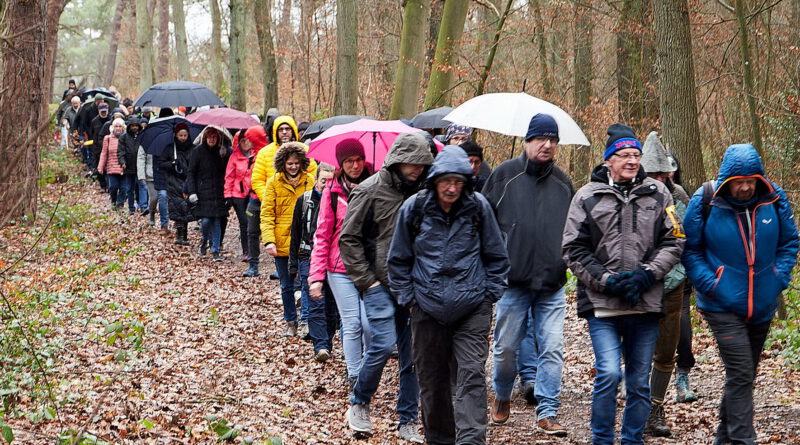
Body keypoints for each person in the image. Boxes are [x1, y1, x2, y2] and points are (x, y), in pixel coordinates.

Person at [562, 123, 684, 445]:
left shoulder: (659, 193)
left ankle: (632, 439)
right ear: (608, 161)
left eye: (636, 155)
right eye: (624, 155)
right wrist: (605, 280)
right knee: (609, 373)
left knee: (638, 382)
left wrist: (648, 273)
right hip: (602, 304)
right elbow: (573, 248)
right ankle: (601, 438)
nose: (631, 160)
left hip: (645, 302)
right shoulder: (586, 196)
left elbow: (674, 240)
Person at [387, 145, 510, 444]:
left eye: (458, 181)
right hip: (427, 309)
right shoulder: (414, 209)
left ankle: (470, 440)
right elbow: (398, 259)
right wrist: (410, 300)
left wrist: (487, 296)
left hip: (472, 308)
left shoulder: (478, 208)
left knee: (470, 377)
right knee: (432, 381)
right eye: (446, 181)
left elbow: (497, 256)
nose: (452, 188)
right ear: (435, 181)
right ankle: (440, 439)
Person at [682, 144, 798, 445]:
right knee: (742, 371)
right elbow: (690, 250)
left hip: (762, 303)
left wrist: (777, 277)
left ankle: (724, 438)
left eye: (751, 180)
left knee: (742, 376)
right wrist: (712, 284)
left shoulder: (775, 198)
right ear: (726, 180)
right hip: (720, 304)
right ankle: (744, 439)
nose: (746, 187)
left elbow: (789, 243)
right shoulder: (705, 200)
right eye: (739, 181)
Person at [481, 113, 573, 436]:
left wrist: (567, 262)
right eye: (541, 139)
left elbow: (573, 232)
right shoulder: (503, 176)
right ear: (527, 141)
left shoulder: (564, 184)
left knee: (552, 347)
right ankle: (503, 394)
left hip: (552, 283)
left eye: (553, 140)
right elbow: (485, 225)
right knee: (506, 348)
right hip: (512, 283)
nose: (547, 145)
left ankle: (547, 411)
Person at [339, 132, 433, 442]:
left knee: (414, 356)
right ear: (398, 160)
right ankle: (359, 402)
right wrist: (368, 281)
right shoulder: (369, 190)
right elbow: (348, 239)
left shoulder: (424, 192)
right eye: (413, 163)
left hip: (415, 286)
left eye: (423, 164)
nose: (418, 169)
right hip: (378, 283)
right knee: (381, 343)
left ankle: (407, 419)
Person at [636, 132, 691, 437]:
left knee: (667, 351)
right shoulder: (633, 195)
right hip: (642, 285)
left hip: (672, 284)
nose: (657, 178)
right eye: (652, 172)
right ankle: (639, 404)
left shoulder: (678, 196)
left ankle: (656, 409)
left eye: (661, 173)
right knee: (639, 350)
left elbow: (685, 236)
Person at [308, 139, 373, 386]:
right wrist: (316, 277)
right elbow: (322, 234)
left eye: (358, 160)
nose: (355, 165)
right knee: (352, 323)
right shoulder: (332, 192)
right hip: (339, 268)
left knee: (370, 324)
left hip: (368, 267)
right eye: (349, 161)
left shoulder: (376, 187)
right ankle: (356, 374)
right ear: (341, 164)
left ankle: (368, 365)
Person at [261, 142, 315, 336]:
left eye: (296, 163)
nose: (293, 167)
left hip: (304, 241)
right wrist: (269, 240)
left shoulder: (310, 181)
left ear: (302, 163)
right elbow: (267, 213)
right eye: (289, 163)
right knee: (286, 284)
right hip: (282, 241)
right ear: (283, 164)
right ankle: (290, 321)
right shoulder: (274, 182)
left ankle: (307, 321)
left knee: (307, 282)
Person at [290, 163, 337, 361]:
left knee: (332, 305)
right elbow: (295, 232)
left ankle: (328, 339)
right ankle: (321, 346)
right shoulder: (305, 201)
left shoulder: (338, 201)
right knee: (316, 301)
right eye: (323, 180)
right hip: (307, 255)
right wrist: (293, 264)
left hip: (332, 258)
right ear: (316, 180)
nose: (326, 184)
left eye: (330, 180)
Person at [187, 126, 232, 261]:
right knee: (206, 221)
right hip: (203, 192)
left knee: (217, 220)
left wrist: (225, 153)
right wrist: (192, 191)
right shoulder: (197, 152)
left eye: (214, 137)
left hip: (218, 191)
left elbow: (227, 171)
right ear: (205, 138)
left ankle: (215, 249)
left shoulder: (222, 152)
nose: (212, 139)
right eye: (209, 137)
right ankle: (205, 240)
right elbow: (191, 172)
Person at [226, 126, 267, 263]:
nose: (245, 143)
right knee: (244, 223)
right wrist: (228, 195)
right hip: (238, 195)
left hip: (254, 194)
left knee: (252, 223)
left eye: (248, 140)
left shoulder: (258, 155)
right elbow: (229, 177)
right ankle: (246, 251)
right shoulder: (234, 156)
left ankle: (253, 249)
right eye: (242, 140)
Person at [159, 124, 195, 245]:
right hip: (173, 182)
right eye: (180, 135)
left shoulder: (193, 149)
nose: (183, 138)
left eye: (185, 135)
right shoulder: (170, 149)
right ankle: (179, 235)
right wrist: (172, 164)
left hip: (188, 182)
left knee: (186, 208)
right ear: (176, 135)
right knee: (177, 208)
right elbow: (161, 164)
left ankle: (184, 235)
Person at [137, 137, 169, 230]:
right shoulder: (147, 141)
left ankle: (165, 222)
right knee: (153, 198)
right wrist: (141, 175)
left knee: (164, 198)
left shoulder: (168, 142)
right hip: (150, 175)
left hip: (164, 175)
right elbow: (141, 158)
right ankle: (152, 212)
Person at [97, 118, 128, 210]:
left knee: (123, 188)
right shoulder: (107, 138)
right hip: (112, 167)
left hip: (124, 167)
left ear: (123, 128)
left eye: (120, 126)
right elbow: (104, 153)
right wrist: (100, 166)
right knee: (113, 187)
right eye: (116, 126)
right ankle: (113, 202)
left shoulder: (126, 138)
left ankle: (120, 205)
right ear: (112, 128)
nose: (118, 128)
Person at [117, 116, 142, 215]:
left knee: (140, 187)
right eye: (133, 126)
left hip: (140, 165)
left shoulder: (141, 136)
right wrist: (122, 162)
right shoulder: (124, 137)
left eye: (136, 125)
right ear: (129, 126)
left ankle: (142, 205)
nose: (135, 128)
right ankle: (131, 207)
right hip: (128, 166)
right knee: (130, 188)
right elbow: (120, 151)